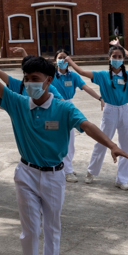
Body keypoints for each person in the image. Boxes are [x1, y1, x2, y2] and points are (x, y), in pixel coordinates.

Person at [0, 16, 128, 255]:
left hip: (55, 175)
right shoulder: (18, 104)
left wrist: (112, 145)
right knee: (31, 229)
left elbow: (87, 125)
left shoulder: (63, 109)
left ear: (49, 80)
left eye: (36, 79)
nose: (31, 83)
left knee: (53, 226)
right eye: (27, 79)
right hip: (27, 174)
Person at [70, 44, 128, 190]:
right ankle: (91, 171)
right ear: (109, 58)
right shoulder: (102, 75)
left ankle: (122, 179)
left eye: (120, 57)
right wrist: (69, 61)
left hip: (124, 110)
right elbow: (81, 71)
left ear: (123, 59)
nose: (117, 59)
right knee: (102, 142)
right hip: (109, 110)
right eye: (114, 57)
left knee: (127, 143)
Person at [52, 51, 104, 182]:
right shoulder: (51, 76)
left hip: (69, 106)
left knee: (70, 141)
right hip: (55, 106)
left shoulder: (73, 76)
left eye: (65, 57)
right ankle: (65, 169)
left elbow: (86, 87)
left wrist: (100, 98)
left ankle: (66, 168)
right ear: (55, 61)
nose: (62, 60)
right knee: (57, 139)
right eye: (60, 58)